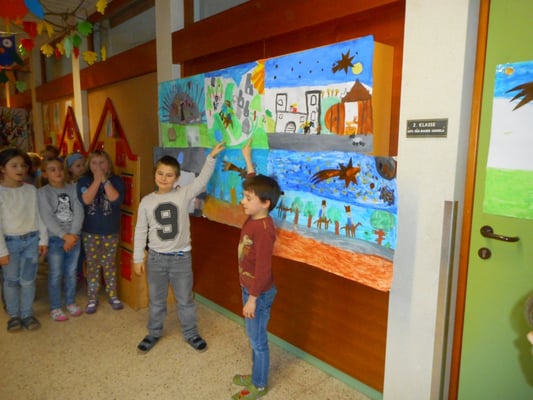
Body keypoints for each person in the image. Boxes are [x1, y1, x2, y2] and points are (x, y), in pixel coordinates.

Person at [133, 142, 225, 353]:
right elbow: (140, 231)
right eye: (160, 173)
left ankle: (191, 333)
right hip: (156, 259)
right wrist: (138, 258)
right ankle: (153, 332)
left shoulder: (183, 193)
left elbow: (201, 181)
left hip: (181, 258)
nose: (164, 178)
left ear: (177, 178)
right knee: (156, 300)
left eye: (169, 175)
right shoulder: (146, 202)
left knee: (185, 299)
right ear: (154, 174)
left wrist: (211, 157)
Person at [231, 140, 281, 400]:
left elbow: (263, 269)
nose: (243, 201)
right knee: (253, 337)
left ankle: (259, 384)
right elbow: (254, 184)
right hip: (250, 289)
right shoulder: (255, 215)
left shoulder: (263, 231)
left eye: (248, 199)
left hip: (257, 293)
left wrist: (252, 298)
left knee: (258, 341)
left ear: (265, 203)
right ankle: (255, 374)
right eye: (244, 196)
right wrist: (248, 159)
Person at [0, 147, 48, 332]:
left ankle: (27, 314)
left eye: (23, 165)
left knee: (28, 280)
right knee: (11, 280)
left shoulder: (31, 190)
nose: (20, 169)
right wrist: (2, 251)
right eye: (14, 165)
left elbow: (39, 215)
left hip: (31, 241)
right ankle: (14, 316)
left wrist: (43, 240)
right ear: (2, 168)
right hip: (9, 243)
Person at [77, 149, 125, 314]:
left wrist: (105, 181)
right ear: (89, 165)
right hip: (90, 232)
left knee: (109, 264)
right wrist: (97, 181)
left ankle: (113, 295)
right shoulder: (84, 181)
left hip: (111, 231)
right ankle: (92, 298)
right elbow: (86, 199)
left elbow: (115, 199)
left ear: (109, 164)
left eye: (102, 162)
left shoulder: (116, 180)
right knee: (92, 265)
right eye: (94, 163)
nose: (98, 166)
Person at [38, 157, 84, 321]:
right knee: (56, 274)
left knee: (71, 272)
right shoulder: (43, 193)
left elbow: (79, 211)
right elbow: (47, 217)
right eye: (52, 169)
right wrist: (64, 236)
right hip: (55, 239)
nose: (57, 172)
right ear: (45, 173)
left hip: (74, 237)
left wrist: (72, 235)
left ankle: (70, 302)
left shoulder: (73, 188)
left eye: (59, 169)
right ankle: (56, 307)